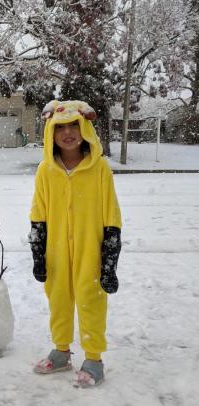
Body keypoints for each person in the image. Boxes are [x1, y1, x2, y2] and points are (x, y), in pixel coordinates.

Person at [29, 100, 122, 387]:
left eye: (74, 126)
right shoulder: (46, 170)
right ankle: (61, 350)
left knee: (90, 298)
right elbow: (38, 214)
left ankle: (94, 357)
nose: (68, 133)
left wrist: (109, 261)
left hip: (90, 249)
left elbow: (112, 216)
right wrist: (39, 254)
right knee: (58, 298)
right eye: (60, 128)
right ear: (50, 133)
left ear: (85, 129)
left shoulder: (99, 169)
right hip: (56, 249)